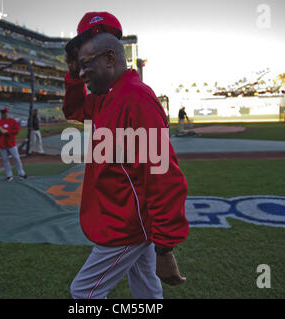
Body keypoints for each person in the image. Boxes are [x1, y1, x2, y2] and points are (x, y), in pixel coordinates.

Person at [64, 12, 189, 299]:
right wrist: (73, 75)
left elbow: (162, 174)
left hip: (126, 224)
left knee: (84, 293)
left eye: (85, 64)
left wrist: (165, 248)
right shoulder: (103, 96)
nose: (82, 73)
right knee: (146, 288)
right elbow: (73, 111)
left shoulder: (136, 97)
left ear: (110, 58)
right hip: (122, 215)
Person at [0, 107, 27, 181]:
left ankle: (21, 173)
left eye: (5, 112)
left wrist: (7, 131)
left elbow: (16, 131)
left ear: (7, 112)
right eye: (2, 112)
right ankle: (9, 175)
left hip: (11, 143)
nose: (4, 114)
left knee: (16, 158)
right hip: (2, 144)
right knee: (5, 160)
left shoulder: (13, 121)